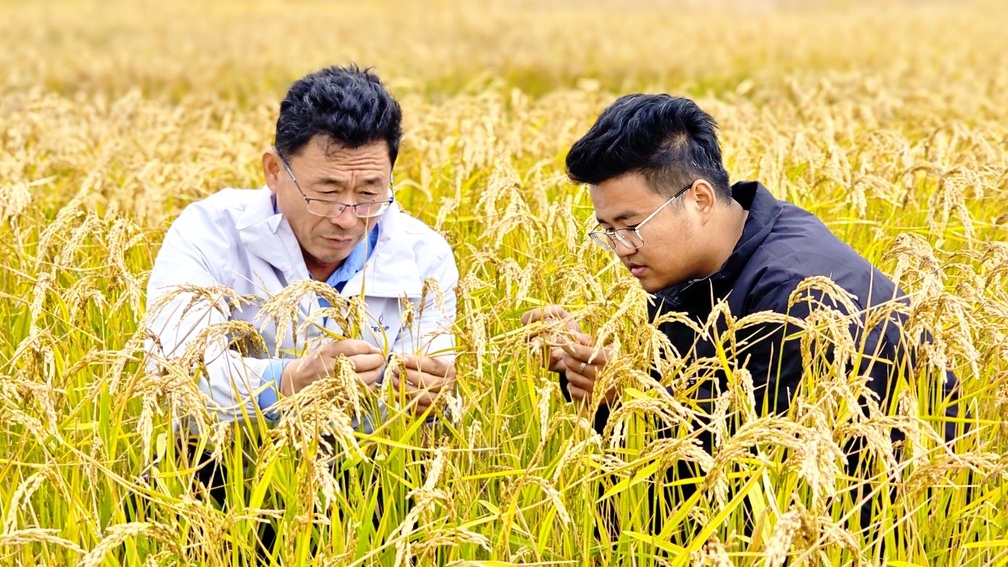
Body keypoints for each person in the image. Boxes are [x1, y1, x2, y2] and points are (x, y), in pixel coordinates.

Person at [522, 94, 960, 532]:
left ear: (699, 199)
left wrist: (630, 401)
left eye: (631, 226)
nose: (620, 248)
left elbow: (746, 484)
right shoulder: (712, 252)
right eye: (607, 231)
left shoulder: (798, 304)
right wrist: (591, 372)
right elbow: (694, 398)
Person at [146, 64, 458, 426]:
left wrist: (437, 399)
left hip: (369, 471)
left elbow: (433, 389)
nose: (347, 218)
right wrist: (288, 381)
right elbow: (172, 374)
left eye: (370, 193)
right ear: (274, 171)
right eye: (327, 193)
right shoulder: (209, 232)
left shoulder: (425, 255)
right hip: (223, 468)